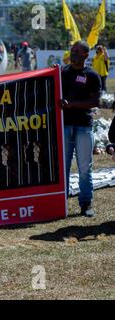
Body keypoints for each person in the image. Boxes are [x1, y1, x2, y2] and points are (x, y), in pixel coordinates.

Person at [60, 41, 102, 217]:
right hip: (65, 126)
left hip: (84, 126)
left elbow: (95, 102)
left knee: (85, 167)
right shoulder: (62, 72)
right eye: (72, 50)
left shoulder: (92, 75)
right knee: (64, 167)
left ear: (86, 55)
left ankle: (86, 203)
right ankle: (62, 203)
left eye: (78, 51)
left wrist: (73, 105)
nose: (73, 54)